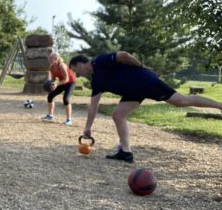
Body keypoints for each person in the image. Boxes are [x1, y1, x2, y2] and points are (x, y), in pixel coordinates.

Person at [69, 52, 222, 163]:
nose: (78, 75)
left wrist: (141, 66)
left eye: (76, 71)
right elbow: (93, 105)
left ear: (79, 64)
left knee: (180, 101)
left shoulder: (99, 61)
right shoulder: (96, 81)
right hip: (133, 92)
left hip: (145, 81)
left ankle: (219, 106)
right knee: (118, 115)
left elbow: (124, 55)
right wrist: (88, 128)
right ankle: (126, 153)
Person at [41, 52, 76, 125]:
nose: (49, 59)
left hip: (70, 83)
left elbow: (66, 79)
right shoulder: (51, 67)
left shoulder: (62, 66)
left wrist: (56, 84)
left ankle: (69, 120)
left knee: (66, 99)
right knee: (50, 96)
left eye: (51, 58)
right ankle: (50, 116)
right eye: (49, 57)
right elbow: (53, 78)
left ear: (56, 58)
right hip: (62, 82)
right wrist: (50, 83)